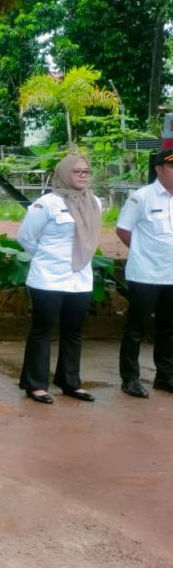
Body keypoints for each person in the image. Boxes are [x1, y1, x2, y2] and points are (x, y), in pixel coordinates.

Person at [16, 154, 101, 404]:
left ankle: (70, 381)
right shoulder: (47, 203)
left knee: (74, 332)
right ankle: (36, 385)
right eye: (77, 171)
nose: (83, 175)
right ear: (64, 173)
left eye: (86, 171)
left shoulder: (94, 202)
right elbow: (26, 238)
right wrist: (48, 257)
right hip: (48, 279)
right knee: (42, 331)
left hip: (81, 279)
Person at [115, 149, 173, 398]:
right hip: (145, 275)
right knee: (136, 329)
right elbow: (123, 230)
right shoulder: (141, 197)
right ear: (159, 170)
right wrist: (142, 252)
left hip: (171, 276)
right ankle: (130, 378)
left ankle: (165, 376)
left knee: (169, 329)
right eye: (172, 168)